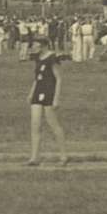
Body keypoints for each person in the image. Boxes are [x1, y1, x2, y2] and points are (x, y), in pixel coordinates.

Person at [25, 38, 70, 167]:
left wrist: (56, 98)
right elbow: (37, 78)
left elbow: (59, 78)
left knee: (53, 124)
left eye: (36, 45)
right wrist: (31, 92)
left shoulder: (52, 58)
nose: (33, 47)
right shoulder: (38, 58)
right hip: (38, 91)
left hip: (49, 92)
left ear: (43, 46)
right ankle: (34, 157)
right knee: (35, 124)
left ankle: (63, 155)